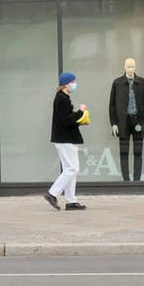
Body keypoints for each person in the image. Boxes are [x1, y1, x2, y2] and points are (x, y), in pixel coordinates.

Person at [47, 71, 88, 212]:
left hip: (66, 138)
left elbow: (67, 120)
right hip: (65, 140)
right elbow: (66, 120)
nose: (74, 85)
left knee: (70, 169)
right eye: (73, 82)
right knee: (72, 169)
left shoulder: (63, 98)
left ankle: (71, 201)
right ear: (66, 84)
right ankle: (52, 193)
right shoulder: (61, 99)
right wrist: (80, 112)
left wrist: (79, 121)